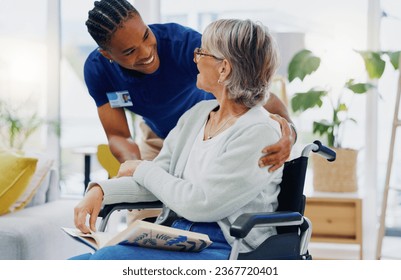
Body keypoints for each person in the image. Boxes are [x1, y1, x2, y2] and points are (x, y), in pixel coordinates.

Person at [71, 18, 283, 260]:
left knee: (104, 260)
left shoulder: (258, 131)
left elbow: (202, 203)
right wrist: (101, 190)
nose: (195, 58)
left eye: (201, 53)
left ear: (223, 68)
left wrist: (141, 168)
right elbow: (156, 181)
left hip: (225, 246)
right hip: (181, 236)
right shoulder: (196, 116)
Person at [84, 0, 296, 171]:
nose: (147, 52)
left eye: (146, 35)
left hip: (208, 134)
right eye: (130, 52)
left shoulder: (186, 45)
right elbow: (119, 135)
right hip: (157, 138)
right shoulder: (98, 71)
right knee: (142, 215)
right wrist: (135, 167)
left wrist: (290, 133)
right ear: (107, 54)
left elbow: (253, 90)